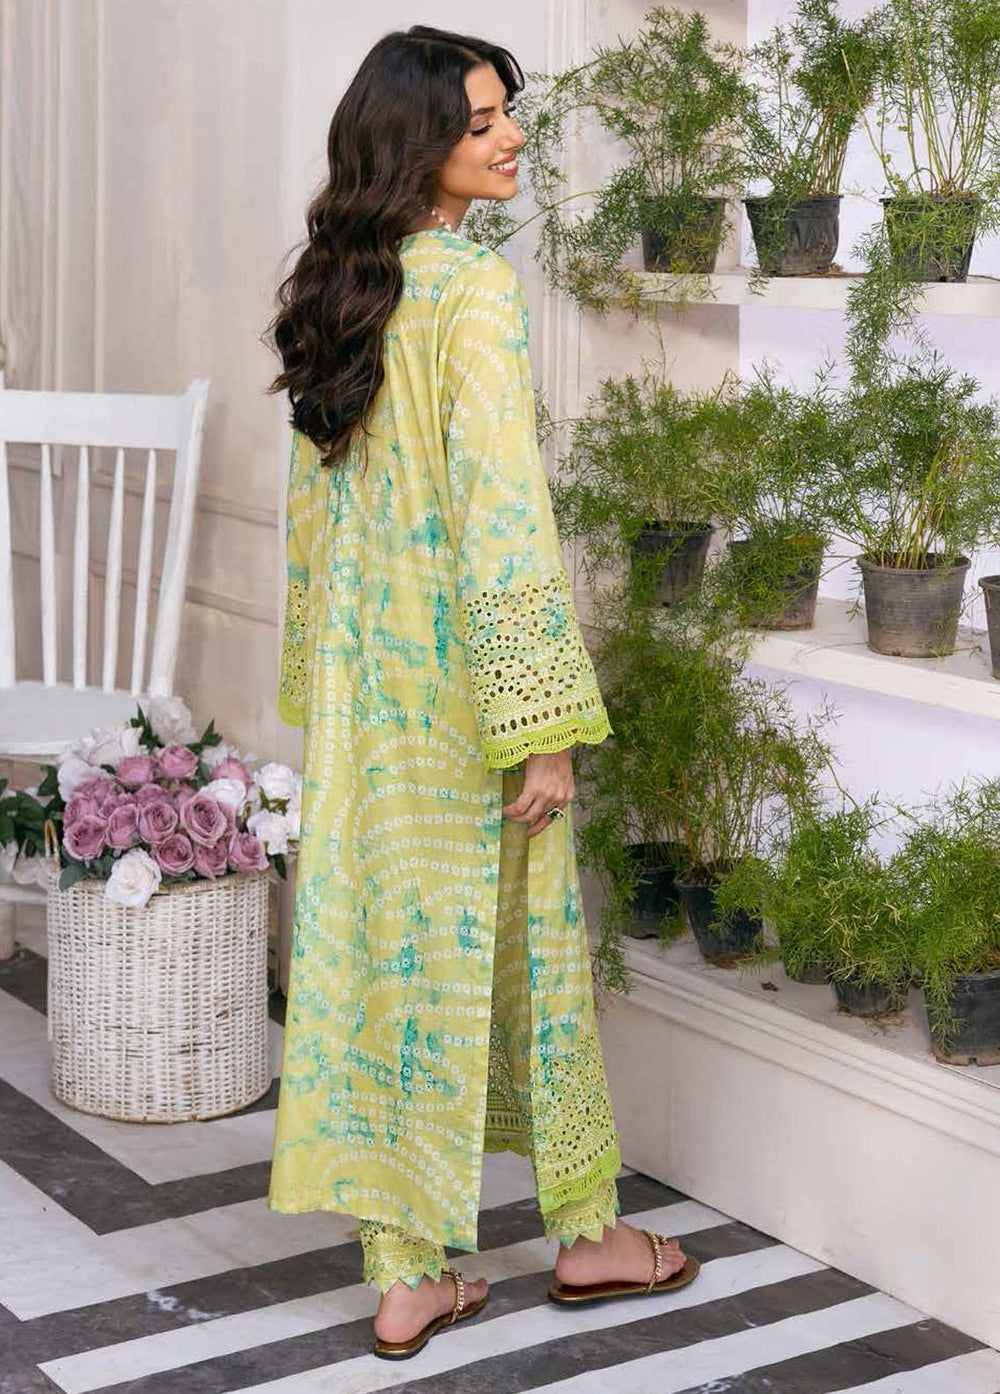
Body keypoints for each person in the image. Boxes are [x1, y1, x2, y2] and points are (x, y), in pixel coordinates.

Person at [264, 23, 697, 1361]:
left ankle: (407, 1275)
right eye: (480, 122)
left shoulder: (340, 294)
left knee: (391, 970)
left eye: (508, 113)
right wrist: (542, 730)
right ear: (418, 143)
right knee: (538, 963)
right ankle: (587, 1235)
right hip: (470, 704)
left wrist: (325, 695)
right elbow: (505, 521)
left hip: (370, 709)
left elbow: (313, 525)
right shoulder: (471, 294)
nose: (510, 138)